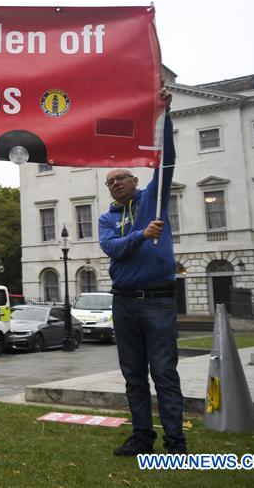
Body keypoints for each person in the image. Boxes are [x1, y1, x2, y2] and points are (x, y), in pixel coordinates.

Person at [98, 87, 186, 456]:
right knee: (134, 377)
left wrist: (164, 114)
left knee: (164, 374)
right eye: (110, 181)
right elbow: (111, 248)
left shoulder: (153, 198)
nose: (116, 183)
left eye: (121, 178)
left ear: (135, 181)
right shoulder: (106, 218)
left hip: (159, 301)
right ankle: (141, 438)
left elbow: (166, 160)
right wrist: (140, 235)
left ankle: (175, 444)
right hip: (124, 303)